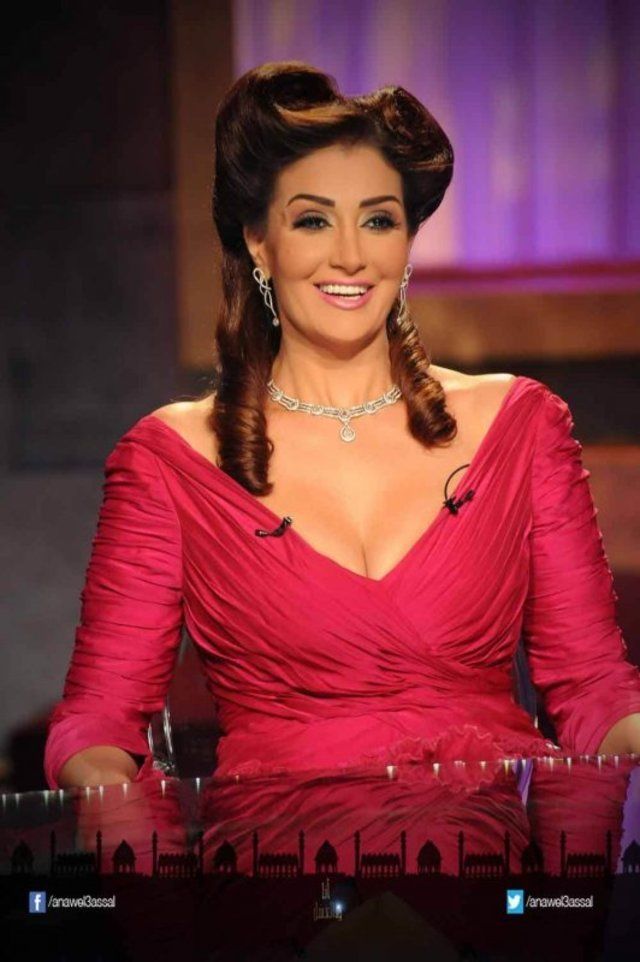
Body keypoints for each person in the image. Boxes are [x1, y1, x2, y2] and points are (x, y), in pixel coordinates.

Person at [44, 61, 640, 790]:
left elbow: (595, 690)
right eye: (314, 220)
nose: (352, 255)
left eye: (379, 220)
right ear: (259, 242)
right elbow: (98, 723)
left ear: (407, 241)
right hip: (282, 852)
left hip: (488, 846)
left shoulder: (520, 425)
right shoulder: (172, 460)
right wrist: (110, 800)